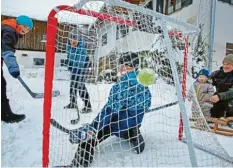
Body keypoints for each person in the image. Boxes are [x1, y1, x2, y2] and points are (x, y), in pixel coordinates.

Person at [69, 52, 152, 167]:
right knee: (129, 124)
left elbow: (109, 111)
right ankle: (133, 133)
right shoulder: (143, 83)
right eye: (121, 64)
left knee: (91, 136)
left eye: (126, 65)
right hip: (134, 122)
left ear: (133, 66)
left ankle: (81, 162)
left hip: (118, 124)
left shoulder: (122, 85)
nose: (121, 68)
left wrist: (92, 128)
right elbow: (147, 105)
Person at [1, 15, 33, 123]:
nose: (26, 30)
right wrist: (13, 68)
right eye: (25, 27)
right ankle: (6, 115)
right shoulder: (10, 31)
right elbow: (7, 50)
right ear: (18, 24)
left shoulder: (5, 28)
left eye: (28, 29)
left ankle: (5, 113)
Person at [64, 28, 92, 113]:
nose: (73, 41)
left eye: (75, 39)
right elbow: (69, 58)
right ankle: (73, 103)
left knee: (81, 87)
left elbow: (82, 60)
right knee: (72, 86)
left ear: (79, 39)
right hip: (74, 69)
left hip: (81, 69)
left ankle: (88, 106)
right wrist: (69, 64)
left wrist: (79, 70)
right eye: (72, 39)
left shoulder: (81, 49)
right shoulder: (68, 48)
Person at [209, 54, 233, 118]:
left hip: (229, 101)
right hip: (219, 100)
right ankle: (214, 115)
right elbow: (206, 80)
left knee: (223, 88)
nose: (225, 66)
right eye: (224, 64)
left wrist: (219, 96)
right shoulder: (217, 73)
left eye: (228, 64)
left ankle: (230, 117)